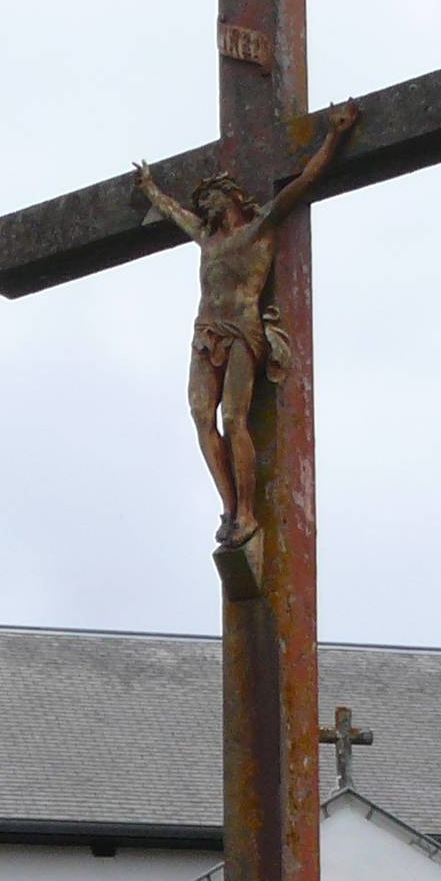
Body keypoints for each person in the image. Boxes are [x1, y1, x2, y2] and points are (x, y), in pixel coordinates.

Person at [136, 100, 359, 596]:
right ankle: (229, 506)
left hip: (243, 333)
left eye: (211, 199)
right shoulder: (207, 240)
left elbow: (302, 185)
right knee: (200, 417)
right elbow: (175, 214)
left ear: (229, 198)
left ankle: (248, 513)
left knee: (234, 419)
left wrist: (334, 137)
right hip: (206, 334)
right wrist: (150, 188)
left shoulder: (260, 230)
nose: (204, 208)